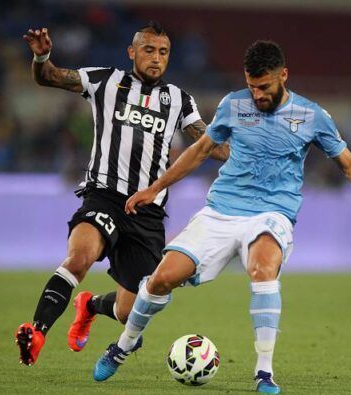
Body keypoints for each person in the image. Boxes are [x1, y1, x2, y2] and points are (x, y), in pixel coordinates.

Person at [91, 40, 351, 393]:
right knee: (161, 279)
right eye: (252, 86)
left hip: (272, 213)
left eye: (265, 87)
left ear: (283, 76)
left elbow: (350, 166)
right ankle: (124, 345)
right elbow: (199, 152)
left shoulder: (312, 115)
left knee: (263, 267)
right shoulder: (233, 104)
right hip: (221, 211)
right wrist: (154, 188)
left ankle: (264, 372)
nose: (257, 95)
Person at [15, 21, 229, 366]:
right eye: (148, 50)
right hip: (105, 196)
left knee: (130, 312)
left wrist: (251, 151)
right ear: (132, 52)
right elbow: (49, 77)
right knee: (79, 258)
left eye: (163, 52)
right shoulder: (106, 81)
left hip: (147, 214)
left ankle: (90, 305)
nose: (156, 58)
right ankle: (37, 331)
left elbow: (211, 146)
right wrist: (43, 58)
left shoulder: (178, 100)